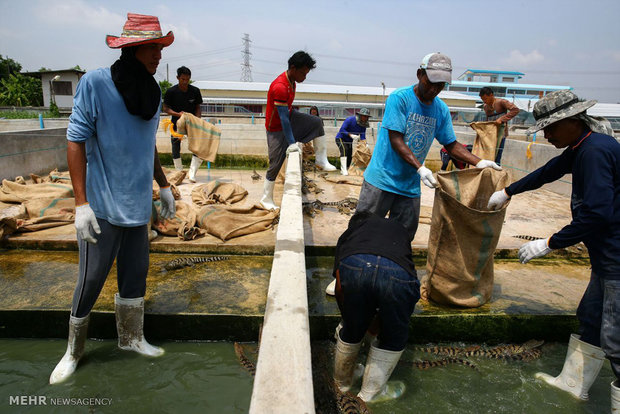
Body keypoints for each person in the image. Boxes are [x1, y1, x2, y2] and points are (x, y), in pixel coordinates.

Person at [49, 13, 176, 385]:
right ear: (134, 48)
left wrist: (163, 185)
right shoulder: (96, 83)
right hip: (102, 207)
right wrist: (80, 204)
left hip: (139, 206)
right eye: (153, 47)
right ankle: (73, 352)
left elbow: (146, 143)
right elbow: (75, 140)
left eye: (161, 47)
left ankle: (132, 339)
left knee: (135, 277)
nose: (158, 55)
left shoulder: (152, 92)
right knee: (90, 281)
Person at [486, 90, 618, 408]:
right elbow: (549, 172)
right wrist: (508, 191)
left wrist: (550, 243)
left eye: (550, 128)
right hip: (605, 259)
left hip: (617, 260)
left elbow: (598, 212)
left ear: (572, 121)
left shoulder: (595, 152)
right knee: (590, 317)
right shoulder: (583, 146)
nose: (546, 135)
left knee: (615, 339)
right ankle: (574, 385)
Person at [358, 52, 501, 241]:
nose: (434, 89)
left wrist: (479, 162)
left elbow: (450, 144)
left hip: (409, 186)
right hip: (381, 180)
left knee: (401, 239)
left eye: (440, 85)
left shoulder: (440, 109)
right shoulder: (399, 98)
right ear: (419, 74)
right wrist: (421, 168)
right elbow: (396, 139)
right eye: (431, 82)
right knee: (362, 233)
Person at [332, 211, 419, 402]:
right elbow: (393, 287)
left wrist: (348, 319)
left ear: (353, 225)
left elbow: (339, 286)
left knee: (352, 329)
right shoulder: (399, 230)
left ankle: (340, 386)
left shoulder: (349, 235)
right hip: (398, 273)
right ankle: (370, 394)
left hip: (356, 264)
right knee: (394, 336)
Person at [261, 51, 336, 210]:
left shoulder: (292, 82)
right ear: (293, 68)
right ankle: (265, 198)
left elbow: (287, 115)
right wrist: (291, 142)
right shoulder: (280, 87)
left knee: (316, 122)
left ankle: (321, 159)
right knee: (275, 164)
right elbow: (283, 119)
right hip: (275, 128)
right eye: (303, 73)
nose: (305, 77)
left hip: (289, 116)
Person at [163, 66, 203, 181]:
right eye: (183, 79)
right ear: (178, 78)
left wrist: (197, 120)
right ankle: (179, 172)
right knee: (175, 147)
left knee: (198, 146)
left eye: (187, 79)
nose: (185, 82)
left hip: (192, 123)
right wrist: (178, 114)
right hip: (176, 123)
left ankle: (192, 173)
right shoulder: (171, 91)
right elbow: (166, 109)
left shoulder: (195, 91)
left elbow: (198, 107)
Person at [478, 86, 519, 165]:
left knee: (497, 156)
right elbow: (488, 120)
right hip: (490, 135)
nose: (485, 101)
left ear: (491, 95)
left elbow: (515, 110)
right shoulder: (485, 107)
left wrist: (502, 119)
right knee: (488, 155)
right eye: (483, 100)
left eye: (486, 98)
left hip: (500, 134)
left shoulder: (501, 102)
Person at [335, 108, 370, 176]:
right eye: (364, 116)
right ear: (360, 115)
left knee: (349, 154)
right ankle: (343, 170)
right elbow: (342, 130)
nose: (365, 118)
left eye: (367, 117)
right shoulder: (350, 120)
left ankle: (348, 168)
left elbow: (363, 136)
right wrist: (350, 135)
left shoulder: (364, 125)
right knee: (344, 150)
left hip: (349, 141)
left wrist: (365, 143)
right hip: (340, 138)